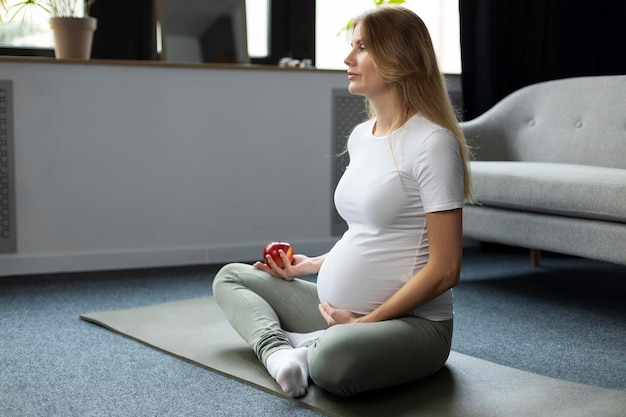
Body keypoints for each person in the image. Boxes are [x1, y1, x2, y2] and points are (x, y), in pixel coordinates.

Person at [212, 5, 474, 398]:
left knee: (332, 362)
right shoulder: (360, 135)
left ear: (399, 59)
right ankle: (282, 354)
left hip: (414, 325)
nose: (348, 59)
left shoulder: (432, 143)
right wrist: (312, 266)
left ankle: (309, 347)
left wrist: (364, 323)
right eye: (352, 46)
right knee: (230, 278)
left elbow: (446, 268)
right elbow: (367, 232)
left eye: (363, 47)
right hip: (334, 309)